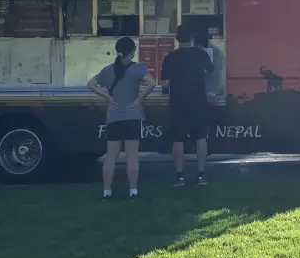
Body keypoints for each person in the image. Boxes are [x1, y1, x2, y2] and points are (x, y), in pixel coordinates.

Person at [86, 37, 156, 199]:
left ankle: (107, 191)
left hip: (113, 118)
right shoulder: (138, 69)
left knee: (111, 156)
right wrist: (139, 99)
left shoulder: (108, 70)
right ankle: (133, 190)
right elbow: (152, 83)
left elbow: (90, 84)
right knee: (132, 155)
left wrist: (107, 98)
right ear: (132, 52)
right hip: (132, 116)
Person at [161, 23, 215, 186]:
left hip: (178, 103)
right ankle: (200, 175)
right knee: (200, 138)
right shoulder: (202, 54)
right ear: (192, 38)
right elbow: (210, 70)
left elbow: (164, 83)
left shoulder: (170, 57)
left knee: (178, 140)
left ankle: (179, 176)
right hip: (198, 102)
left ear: (177, 39)